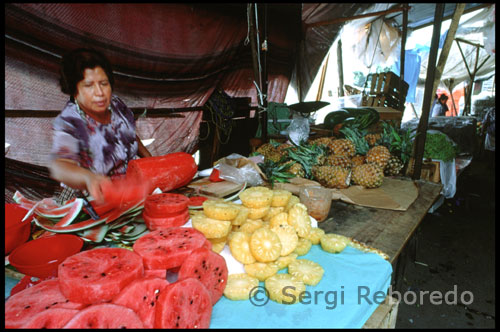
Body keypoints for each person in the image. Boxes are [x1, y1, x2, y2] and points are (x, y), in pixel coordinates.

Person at [49, 48, 152, 203]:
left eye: (104, 83)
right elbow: (60, 165)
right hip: (91, 203)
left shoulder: (115, 104)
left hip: (126, 195)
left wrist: (152, 162)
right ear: (74, 90)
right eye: (89, 85)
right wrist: (88, 177)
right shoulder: (70, 122)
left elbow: (129, 135)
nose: (99, 93)